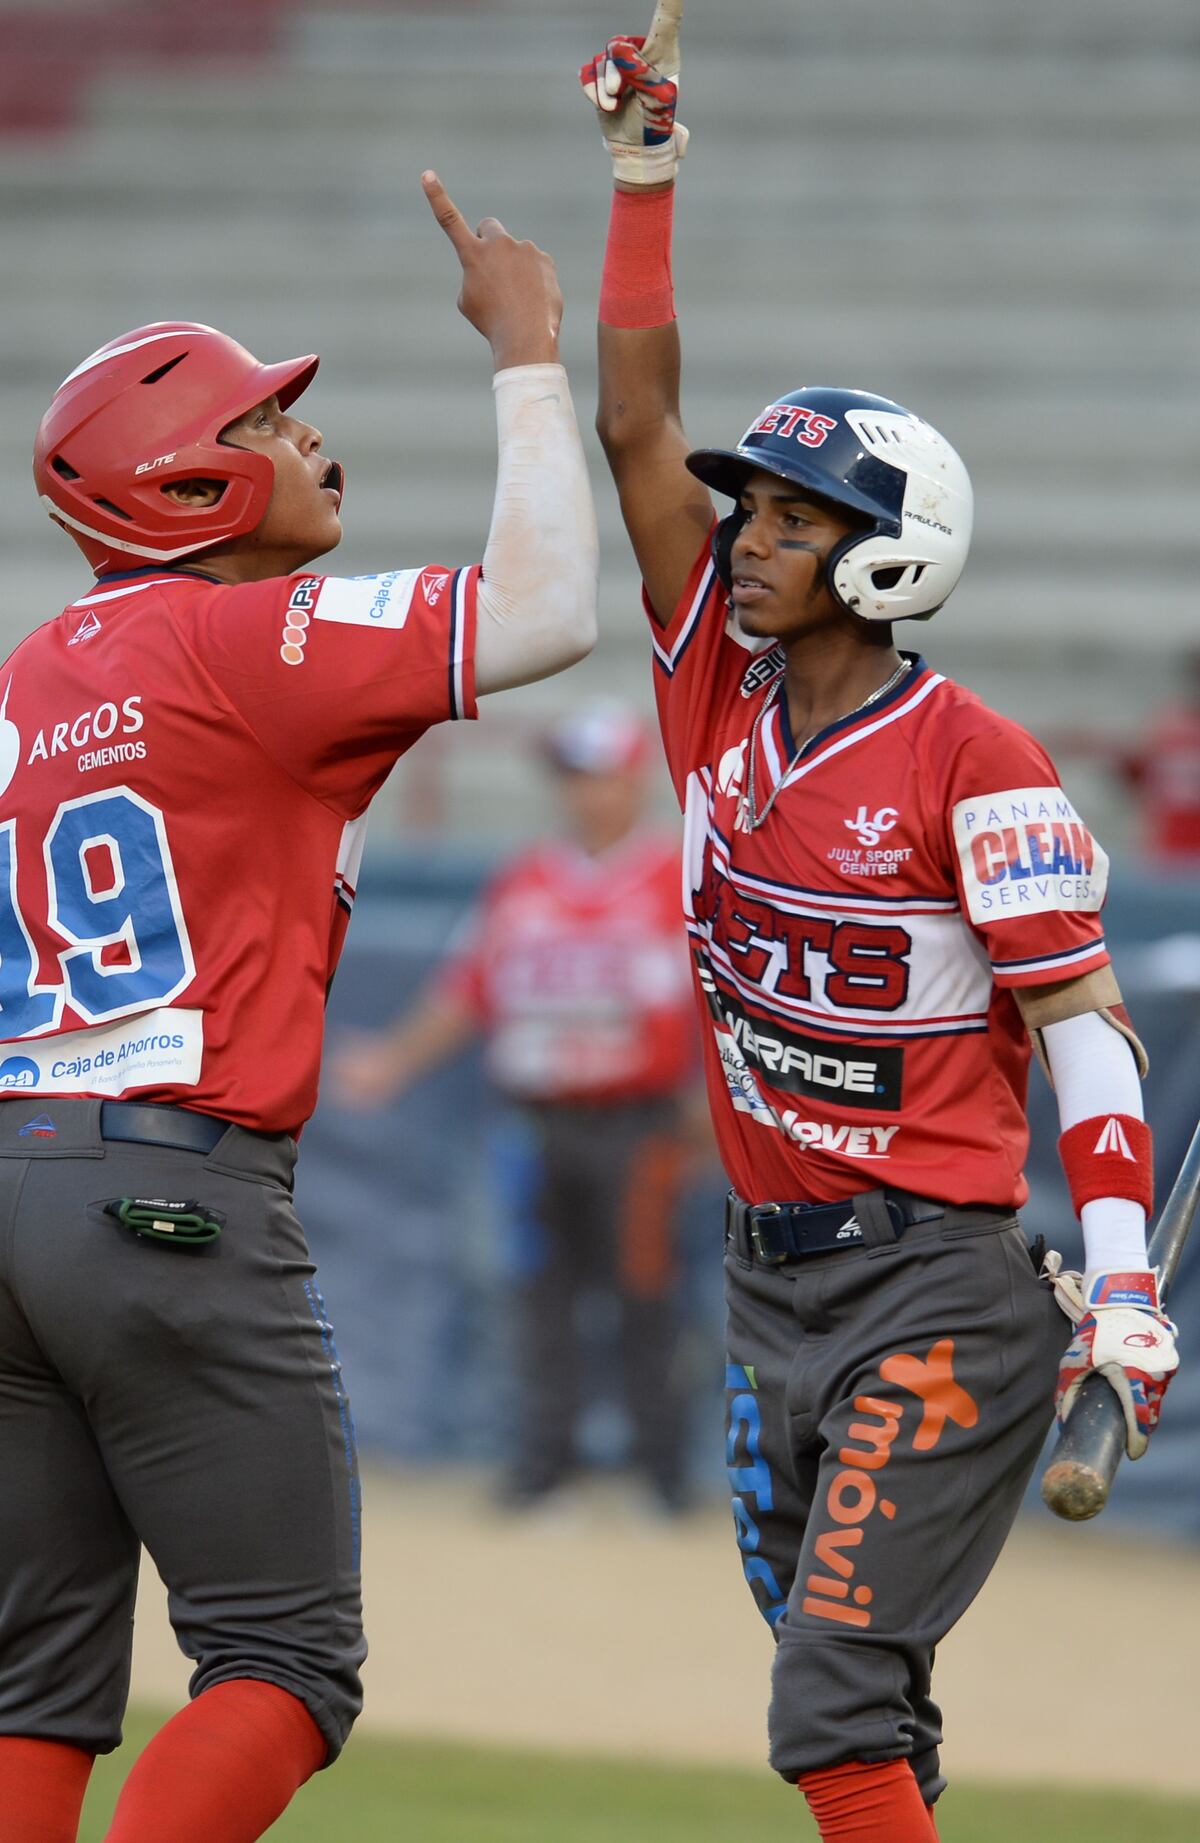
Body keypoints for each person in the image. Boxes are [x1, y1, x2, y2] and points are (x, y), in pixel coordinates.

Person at [577, 7, 1179, 1839]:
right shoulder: (707, 689)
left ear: (888, 555)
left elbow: (1083, 1020)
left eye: (790, 514)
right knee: (869, 1715)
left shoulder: (977, 756)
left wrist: (1131, 1286)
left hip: (933, 1279)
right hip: (772, 1275)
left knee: (825, 1706)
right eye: (752, 507)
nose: (745, 532)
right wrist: (643, 176)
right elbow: (633, 419)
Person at [0, 173, 597, 1843]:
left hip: (14, 1171)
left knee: (31, 1683)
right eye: (269, 416)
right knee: (283, 1660)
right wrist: (531, 353)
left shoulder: (35, 672)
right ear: (184, 476)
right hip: (167, 1183)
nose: (310, 437)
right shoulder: (237, 639)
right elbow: (548, 609)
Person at [331, 700, 703, 1514]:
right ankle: (544, 1468)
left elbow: (722, 1004)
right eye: (572, 778)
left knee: (645, 1294)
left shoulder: (677, 879)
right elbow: (465, 988)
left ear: (633, 780)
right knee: (539, 1297)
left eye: (599, 776)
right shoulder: (524, 879)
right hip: (533, 1122)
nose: (584, 795)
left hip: (637, 1123)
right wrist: (390, 1062)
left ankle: (663, 1477)